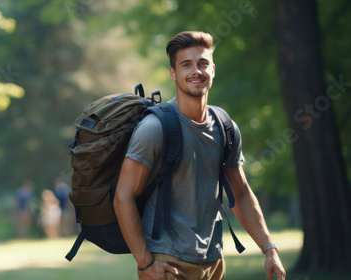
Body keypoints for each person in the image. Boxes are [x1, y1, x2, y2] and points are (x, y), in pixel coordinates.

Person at [113, 31, 286, 280]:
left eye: (202, 63)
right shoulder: (154, 129)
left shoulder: (225, 126)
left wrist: (269, 249)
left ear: (213, 69)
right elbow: (123, 195)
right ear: (173, 73)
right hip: (167, 263)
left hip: (213, 262)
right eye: (186, 65)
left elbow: (241, 193)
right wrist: (145, 262)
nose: (196, 71)